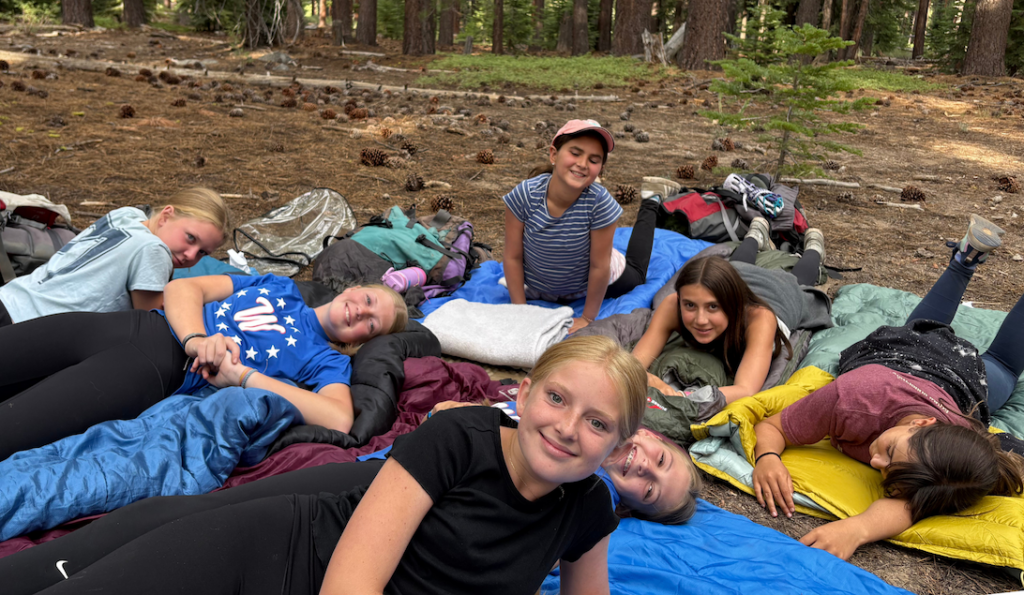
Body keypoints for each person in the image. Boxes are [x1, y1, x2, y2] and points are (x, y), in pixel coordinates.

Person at [12, 335, 647, 595]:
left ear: (618, 446)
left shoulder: (588, 507)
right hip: (277, 558)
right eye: (558, 399)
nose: (568, 429)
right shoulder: (460, 439)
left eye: (597, 423)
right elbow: (350, 587)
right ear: (525, 392)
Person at [750, 214, 1024, 560]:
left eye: (888, 466)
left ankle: (967, 257)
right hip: (901, 355)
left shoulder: (956, 461)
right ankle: (963, 261)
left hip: (956, 379)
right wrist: (768, 456)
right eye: (890, 453)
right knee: (927, 332)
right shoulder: (852, 398)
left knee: (998, 365)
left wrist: (856, 529)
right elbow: (773, 425)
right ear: (921, 424)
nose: (875, 459)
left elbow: (909, 506)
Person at [0, 273, 408, 461]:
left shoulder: (327, 361)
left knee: (13, 426)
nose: (360, 314)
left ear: (363, 340)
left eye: (372, 325)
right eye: (369, 301)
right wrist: (197, 337)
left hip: (156, 369)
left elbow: (338, 418)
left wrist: (244, 377)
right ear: (356, 289)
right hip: (128, 326)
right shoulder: (278, 284)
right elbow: (184, 288)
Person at [633, 215, 830, 405]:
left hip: (779, 298)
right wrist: (654, 382)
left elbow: (745, 389)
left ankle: (814, 249)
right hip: (739, 278)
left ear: (730, 302)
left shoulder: (760, 319)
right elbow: (633, 365)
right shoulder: (672, 305)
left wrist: (682, 398)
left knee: (798, 280)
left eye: (713, 307)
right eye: (690, 305)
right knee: (737, 265)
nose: (701, 319)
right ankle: (754, 236)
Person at [502, 119, 660, 333]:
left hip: (599, 277)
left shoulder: (600, 204)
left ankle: (651, 202)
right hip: (544, 287)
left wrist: (587, 318)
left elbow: (599, 266)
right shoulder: (525, 195)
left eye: (594, 160)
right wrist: (519, 309)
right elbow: (512, 256)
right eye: (575, 153)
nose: (583, 164)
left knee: (638, 275)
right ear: (553, 154)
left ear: (600, 169)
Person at [0, 187, 230, 327]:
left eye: (203, 252)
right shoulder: (154, 251)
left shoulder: (127, 214)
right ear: (166, 215)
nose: (191, 255)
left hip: (12, 296)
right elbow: (149, 324)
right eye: (190, 237)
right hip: (23, 325)